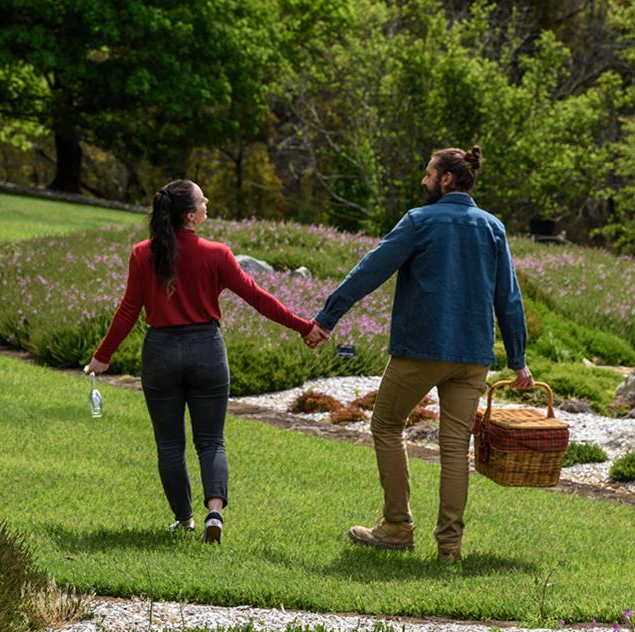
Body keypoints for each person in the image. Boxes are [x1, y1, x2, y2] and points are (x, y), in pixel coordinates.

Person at [311, 146, 533, 563]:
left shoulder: (419, 221)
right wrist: (518, 359)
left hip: (422, 350)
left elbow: (371, 269)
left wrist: (328, 316)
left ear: (447, 178)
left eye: (429, 172)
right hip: (472, 357)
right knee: (454, 449)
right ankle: (449, 548)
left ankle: (396, 527)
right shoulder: (492, 228)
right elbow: (510, 298)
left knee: (386, 424)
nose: (423, 180)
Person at [85, 179, 328, 544]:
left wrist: (102, 356)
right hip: (206, 350)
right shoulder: (217, 254)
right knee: (211, 441)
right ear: (191, 216)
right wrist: (304, 327)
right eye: (202, 201)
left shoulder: (141, 253)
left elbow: (128, 311)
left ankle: (185, 521)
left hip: (161, 352)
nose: (207, 202)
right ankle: (215, 512)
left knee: (170, 445)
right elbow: (257, 297)